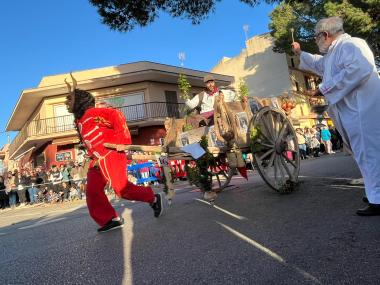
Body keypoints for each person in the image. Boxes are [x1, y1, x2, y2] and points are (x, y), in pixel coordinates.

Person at [292, 16, 380, 216]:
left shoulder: (352, 44)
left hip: (363, 110)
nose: (316, 41)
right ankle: (374, 192)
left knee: (370, 153)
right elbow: (319, 64)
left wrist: (324, 88)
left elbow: (358, 69)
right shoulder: (333, 53)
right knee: (364, 154)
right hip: (354, 112)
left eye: (316, 38)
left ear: (325, 34)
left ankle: (378, 199)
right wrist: (299, 53)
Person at [64, 73, 163, 233]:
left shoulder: (94, 113)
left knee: (121, 190)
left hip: (112, 154)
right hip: (97, 161)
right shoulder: (80, 121)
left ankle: (152, 198)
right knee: (92, 191)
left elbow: (117, 116)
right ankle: (111, 219)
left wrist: (122, 143)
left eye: (70, 99)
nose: (66, 103)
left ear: (80, 100)